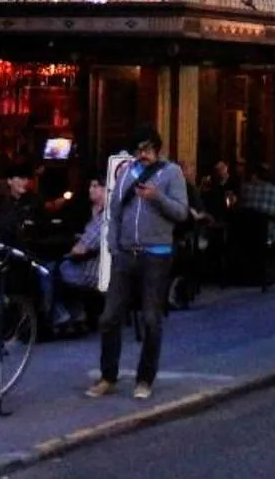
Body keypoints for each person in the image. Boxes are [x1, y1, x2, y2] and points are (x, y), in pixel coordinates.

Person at [89, 127, 190, 401]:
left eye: (146, 149)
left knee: (150, 318)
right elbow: (115, 210)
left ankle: (145, 378)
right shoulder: (126, 173)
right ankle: (108, 375)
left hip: (156, 254)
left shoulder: (172, 173)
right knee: (110, 317)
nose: (142, 155)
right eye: (138, 150)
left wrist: (157, 196)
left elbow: (181, 212)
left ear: (157, 149)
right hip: (126, 253)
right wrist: (113, 244)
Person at [53, 180, 107, 331]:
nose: (90, 189)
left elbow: (81, 249)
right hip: (107, 267)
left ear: (105, 190)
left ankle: (64, 314)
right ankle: (77, 314)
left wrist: (71, 251)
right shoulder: (105, 213)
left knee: (57, 270)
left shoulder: (104, 218)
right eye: (90, 185)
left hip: (94, 271)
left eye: (95, 186)